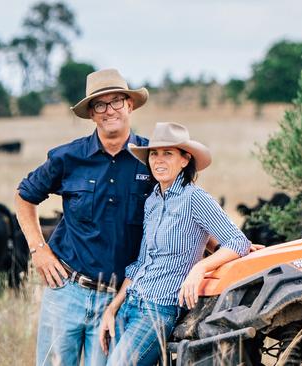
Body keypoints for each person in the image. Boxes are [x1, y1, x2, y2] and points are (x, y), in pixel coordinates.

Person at [15, 68, 153, 366]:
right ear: (91, 113)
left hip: (117, 301)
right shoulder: (68, 158)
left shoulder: (153, 159)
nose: (109, 110)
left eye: (116, 101)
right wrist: (39, 250)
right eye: (100, 105)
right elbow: (24, 196)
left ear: (130, 105)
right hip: (66, 290)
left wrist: (226, 246)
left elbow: (182, 208)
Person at [98, 122, 251, 366]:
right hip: (130, 304)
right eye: (154, 154)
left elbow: (237, 240)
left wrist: (198, 268)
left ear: (184, 160)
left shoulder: (194, 198)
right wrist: (112, 308)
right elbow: (141, 263)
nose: (159, 160)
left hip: (157, 310)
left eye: (168, 153)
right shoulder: (152, 201)